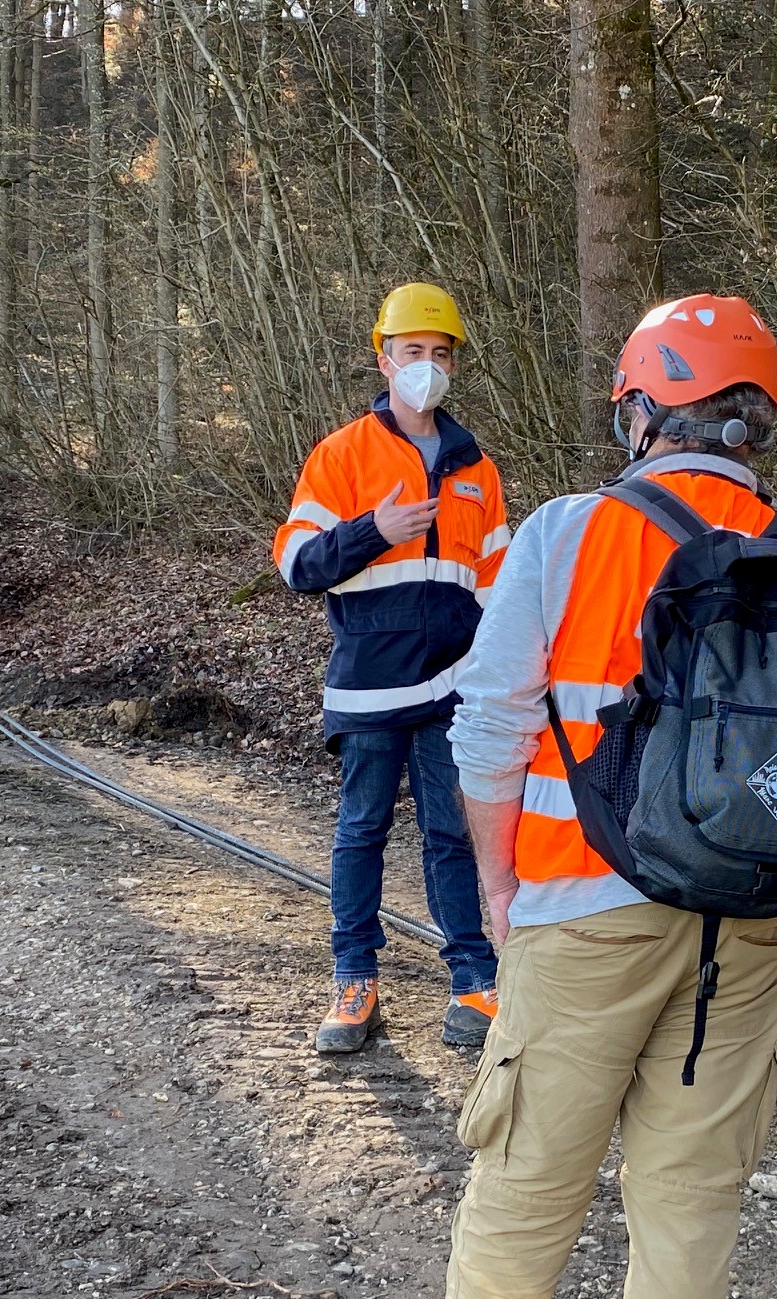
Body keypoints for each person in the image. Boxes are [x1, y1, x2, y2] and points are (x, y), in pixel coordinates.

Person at [410, 294, 777, 1299]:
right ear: (755, 421)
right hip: (754, 933)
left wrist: (498, 889)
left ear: (640, 409)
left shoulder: (571, 533)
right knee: (687, 1221)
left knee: (529, 1182)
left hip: (581, 916)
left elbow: (490, 724)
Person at [271, 283, 509, 1054]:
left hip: (453, 690)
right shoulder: (342, 455)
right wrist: (374, 529)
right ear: (384, 358)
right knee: (360, 833)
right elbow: (299, 564)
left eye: (441, 354)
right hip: (369, 685)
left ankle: (474, 984)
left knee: (453, 836)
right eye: (414, 352)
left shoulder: (478, 466)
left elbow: (500, 586)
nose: (428, 366)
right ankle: (353, 982)